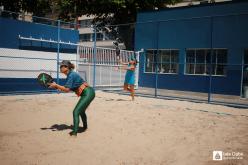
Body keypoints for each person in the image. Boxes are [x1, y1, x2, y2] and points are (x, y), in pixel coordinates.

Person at [49, 60, 95, 136]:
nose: (60, 68)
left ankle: (74, 133)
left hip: (88, 93)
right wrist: (56, 87)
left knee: (76, 112)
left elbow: (66, 89)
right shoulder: (70, 75)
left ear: (66, 67)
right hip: (88, 92)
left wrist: (56, 86)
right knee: (81, 111)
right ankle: (85, 127)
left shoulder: (71, 75)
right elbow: (66, 88)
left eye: (61, 66)